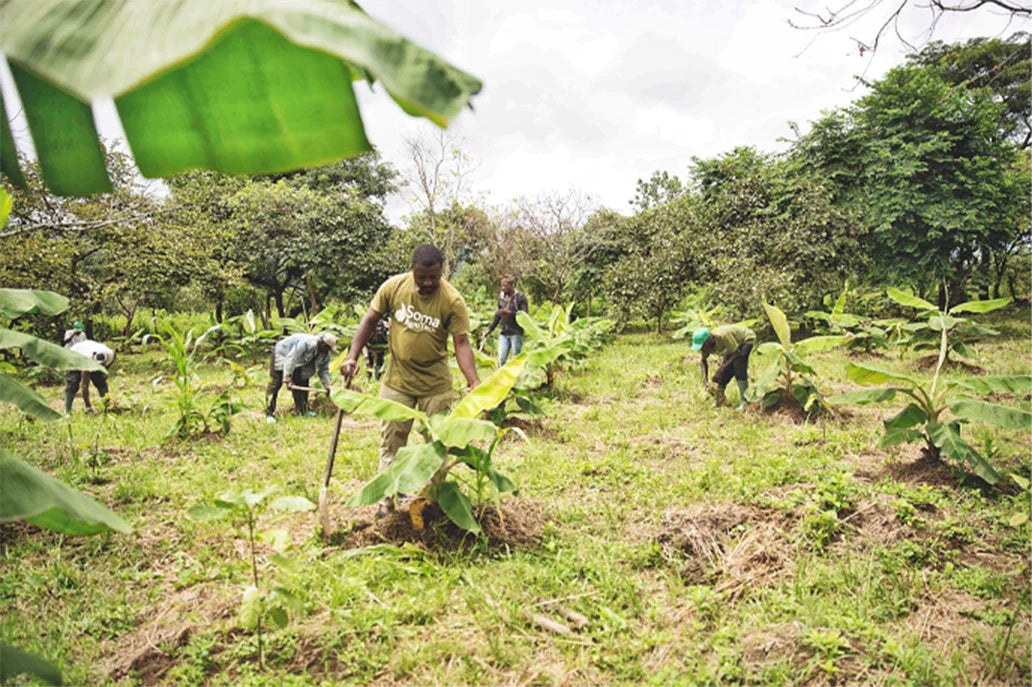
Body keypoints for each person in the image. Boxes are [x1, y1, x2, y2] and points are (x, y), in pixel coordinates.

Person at [341, 244, 481, 516]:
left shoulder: (452, 301)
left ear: (442, 272)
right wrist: (352, 356)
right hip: (398, 380)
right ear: (412, 271)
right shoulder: (393, 288)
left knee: (437, 445)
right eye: (422, 277)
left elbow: (461, 342)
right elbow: (369, 321)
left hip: (435, 385)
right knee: (392, 441)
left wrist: (474, 382)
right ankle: (386, 499)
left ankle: (433, 502)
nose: (428, 283)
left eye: (434, 277)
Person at [265, 332, 337, 422]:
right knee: (275, 383)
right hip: (282, 353)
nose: (328, 351)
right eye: (327, 348)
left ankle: (303, 410)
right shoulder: (306, 344)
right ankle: (269, 413)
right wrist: (287, 379)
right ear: (322, 344)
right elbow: (291, 358)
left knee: (303, 380)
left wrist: (327, 385)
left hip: (300, 362)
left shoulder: (325, 353)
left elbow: (324, 370)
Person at [692, 324, 756, 410]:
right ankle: (719, 399)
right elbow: (703, 361)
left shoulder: (722, 336)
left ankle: (745, 401)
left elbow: (736, 353)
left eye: (703, 345)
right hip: (732, 346)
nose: (702, 348)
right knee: (725, 370)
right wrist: (705, 380)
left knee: (738, 367)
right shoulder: (705, 346)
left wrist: (722, 368)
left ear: (709, 340)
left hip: (745, 340)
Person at [481, 276, 529, 366]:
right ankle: (500, 379)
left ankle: (516, 378)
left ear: (512, 285)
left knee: (516, 359)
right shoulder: (502, 297)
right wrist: (490, 329)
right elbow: (498, 315)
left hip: (516, 332)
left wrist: (510, 313)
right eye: (502, 286)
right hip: (504, 332)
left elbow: (525, 315)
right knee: (501, 358)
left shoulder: (520, 297)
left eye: (505, 286)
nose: (503, 288)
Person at [64, 338, 115, 415]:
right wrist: (89, 407)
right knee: (73, 383)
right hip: (74, 356)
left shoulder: (109, 354)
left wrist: (105, 371)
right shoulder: (87, 360)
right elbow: (84, 385)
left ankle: (106, 407)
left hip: (88, 349)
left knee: (101, 381)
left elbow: (112, 360)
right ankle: (68, 411)